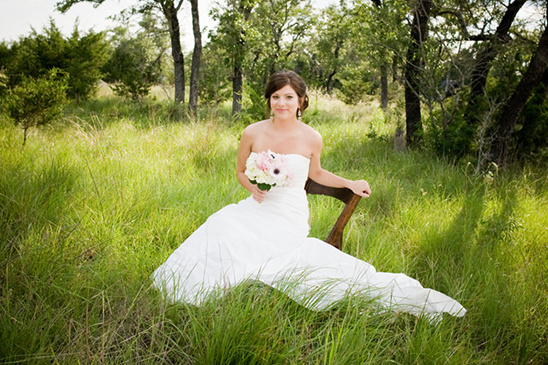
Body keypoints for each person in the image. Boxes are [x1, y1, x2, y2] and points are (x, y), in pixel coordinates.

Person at [152, 70, 466, 321]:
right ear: (269, 100)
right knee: (221, 225)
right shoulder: (253, 132)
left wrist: (350, 182)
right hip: (257, 206)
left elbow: (315, 174)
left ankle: (238, 288)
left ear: (301, 101)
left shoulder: (311, 137)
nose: (281, 103)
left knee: (256, 246)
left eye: (288, 97)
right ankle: (202, 293)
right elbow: (239, 173)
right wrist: (253, 188)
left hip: (288, 215)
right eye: (275, 97)